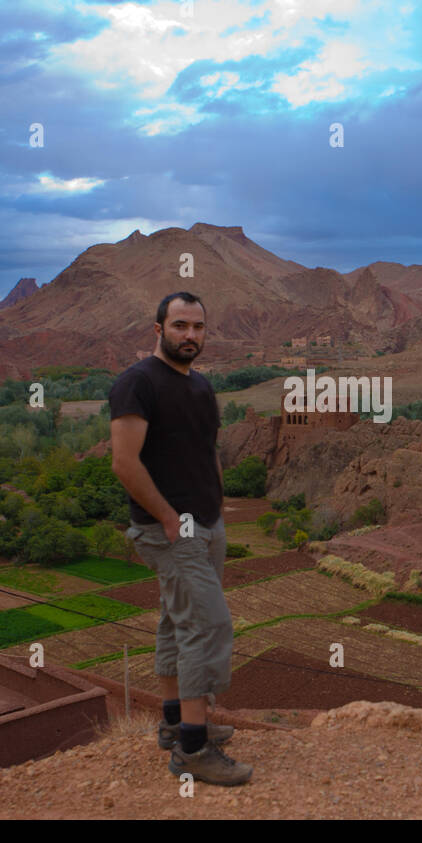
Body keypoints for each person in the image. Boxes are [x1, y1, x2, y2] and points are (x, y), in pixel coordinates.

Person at [108, 290, 253, 786]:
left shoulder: (200, 387)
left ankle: (174, 721)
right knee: (207, 626)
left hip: (205, 523)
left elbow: (207, 449)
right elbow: (124, 462)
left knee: (177, 620)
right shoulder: (137, 383)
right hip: (170, 527)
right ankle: (193, 749)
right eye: (180, 326)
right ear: (158, 329)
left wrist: (216, 502)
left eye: (198, 327)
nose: (190, 335)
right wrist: (170, 517)